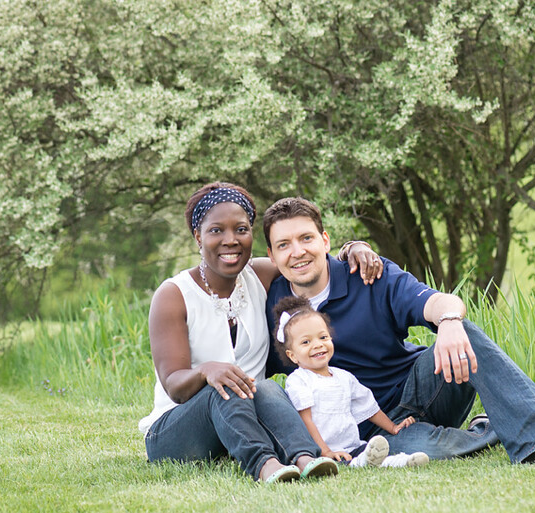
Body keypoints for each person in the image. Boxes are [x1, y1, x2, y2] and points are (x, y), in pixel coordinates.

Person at [263, 197, 535, 465]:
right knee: (425, 451)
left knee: (465, 332)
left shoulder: (367, 274)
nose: (298, 252)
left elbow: (439, 302)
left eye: (306, 238)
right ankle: (488, 429)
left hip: (425, 386)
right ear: (272, 254)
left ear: (324, 240)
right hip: (371, 431)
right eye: (284, 245)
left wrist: (449, 322)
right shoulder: (273, 304)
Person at [138, 182, 384, 483]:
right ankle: (266, 466)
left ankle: (307, 458)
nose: (231, 240)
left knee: (267, 387)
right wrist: (207, 371)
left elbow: (306, 258)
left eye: (241, 229)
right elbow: (174, 385)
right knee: (225, 384)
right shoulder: (174, 295)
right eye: (217, 231)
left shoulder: (259, 275)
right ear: (197, 237)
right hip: (176, 431)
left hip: (244, 420)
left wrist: (353, 247)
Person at [272, 296, 430, 468]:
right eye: (306, 342)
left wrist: (393, 428)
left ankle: (401, 461)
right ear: (292, 355)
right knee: (355, 461)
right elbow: (306, 420)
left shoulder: (343, 377)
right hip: (322, 450)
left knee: (369, 452)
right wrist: (325, 451)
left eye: (323, 337)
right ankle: (361, 462)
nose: (317, 345)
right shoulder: (299, 380)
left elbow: (368, 407)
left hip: (353, 445)